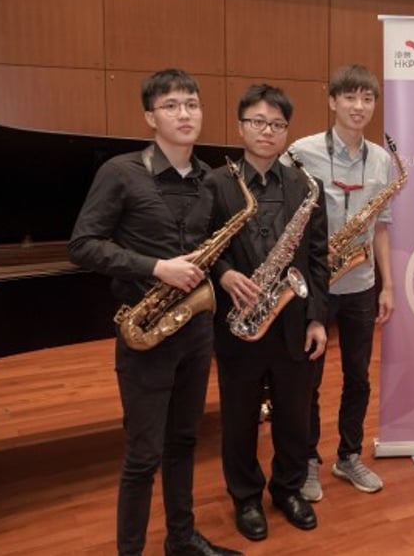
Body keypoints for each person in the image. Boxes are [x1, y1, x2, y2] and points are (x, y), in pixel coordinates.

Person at [68, 68, 242, 556]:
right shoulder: (121, 173)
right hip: (146, 329)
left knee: (184, 442)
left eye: (192, 103)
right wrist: (155, 267)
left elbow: (216, 249)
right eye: (171, 105)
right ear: (150, 116)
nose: (184, 114)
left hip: (196, 330)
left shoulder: (212, 181)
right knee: (142, 457)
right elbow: (82, 245)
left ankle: (181, 541)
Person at [206, 84, 330, 543]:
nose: (267, 131)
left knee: (295, 414)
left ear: (285, 133)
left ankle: (287, 488)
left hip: (293, 320)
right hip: (238, 320)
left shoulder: (304, 185)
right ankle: (245, 497)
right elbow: (198, 247)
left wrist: (318, 317)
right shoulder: (216, 184)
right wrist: (223, 274)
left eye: (277, 124)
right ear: (240, 127)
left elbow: (318, 256)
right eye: (258, 122)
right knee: (238, 416)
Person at [286, 64, 395, 501]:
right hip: (316, 285)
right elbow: (284, 220)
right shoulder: (300, 152)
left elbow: (382, 227)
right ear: (332, 101)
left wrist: (387, 285)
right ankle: (308, 459)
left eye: (367, 98)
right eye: (350, 97)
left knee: (359, 377)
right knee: (307, 379)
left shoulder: (383, 159)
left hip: (362, 285)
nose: (359, 106)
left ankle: (348, 455)